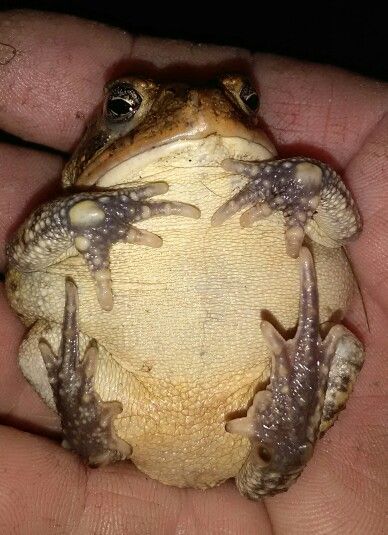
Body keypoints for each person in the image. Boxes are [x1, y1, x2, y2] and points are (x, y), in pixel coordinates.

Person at [0, 10, 386, 534]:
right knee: (35, 352)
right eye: (123, 106)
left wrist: (301, 185)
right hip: (127, 404)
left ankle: (282, 446)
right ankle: (91, 429)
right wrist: (84, 217)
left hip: (256, 418)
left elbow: (344, 225)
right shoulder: (80, 206)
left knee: (344, 350)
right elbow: (26, 266)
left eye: (245, 101)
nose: (201, 112)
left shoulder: (284, 182)